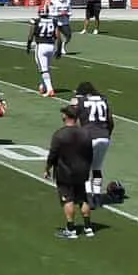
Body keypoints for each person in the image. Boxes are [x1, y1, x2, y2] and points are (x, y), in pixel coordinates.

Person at [47, 102, 96, 238]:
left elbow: (53, 154)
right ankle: (88, 227)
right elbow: (90, 153)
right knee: (83, 198)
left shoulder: (60, 134)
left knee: (68, 199)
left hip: (65, 172)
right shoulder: (86, 133)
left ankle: (71, 229)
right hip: (82, 170)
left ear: (66, 116)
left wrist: (47, 168)